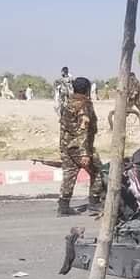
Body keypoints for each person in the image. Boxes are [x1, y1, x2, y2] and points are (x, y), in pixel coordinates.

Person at [58, 77, 104, 216]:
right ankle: (94, 203)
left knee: (69, 175)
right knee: (98, 172)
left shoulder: (68, 103)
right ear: (87, 90)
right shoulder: (84, 105)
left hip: (67, 146)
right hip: (80, 146)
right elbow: (83, 130)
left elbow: (65, 127)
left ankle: (63, 206)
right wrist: (84, 153)